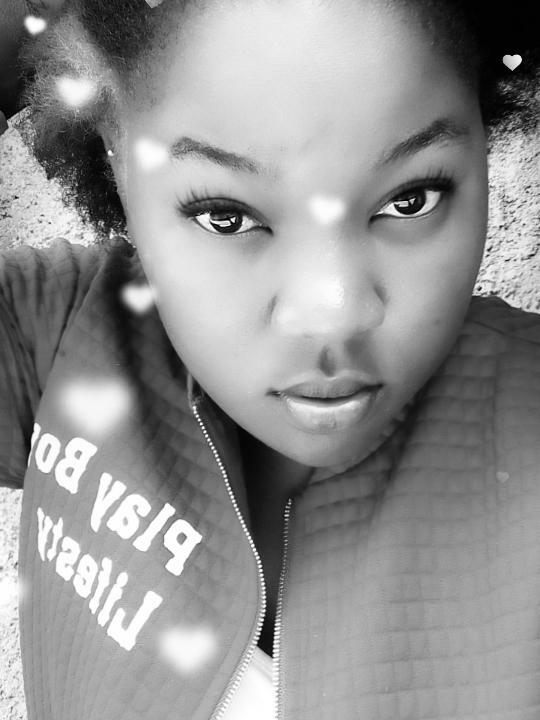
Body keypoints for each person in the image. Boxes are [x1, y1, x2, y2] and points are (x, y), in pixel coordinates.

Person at [0, 1, 539, 718]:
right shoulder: (58, 328)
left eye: (412, 199)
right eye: (226, 216)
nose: (332, 310)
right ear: (113, 162)